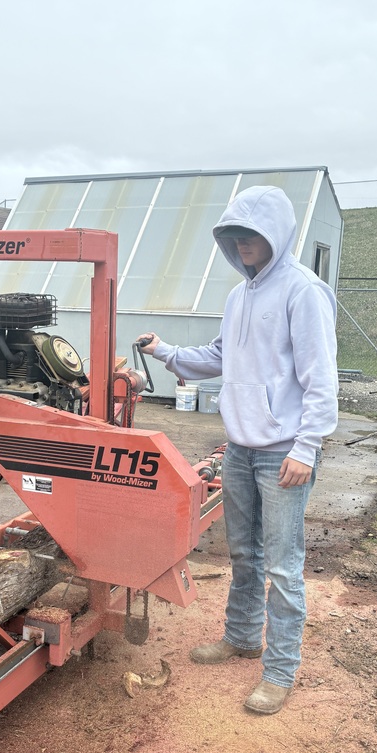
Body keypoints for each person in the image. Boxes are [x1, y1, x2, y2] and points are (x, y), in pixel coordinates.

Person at [137, 186, 338, 715]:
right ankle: (243, 637)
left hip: (282, 454)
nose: (241, 243)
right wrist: (166, 352)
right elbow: (222, 356)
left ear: (275, 232)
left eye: (250, 233)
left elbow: (321, 378)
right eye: (233, 235)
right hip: (241, 450)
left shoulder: (303, 291)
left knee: (282, 565)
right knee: (244, 555)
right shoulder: (238, 295)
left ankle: (280, 671)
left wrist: (307, 446)